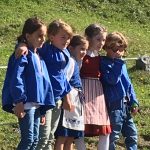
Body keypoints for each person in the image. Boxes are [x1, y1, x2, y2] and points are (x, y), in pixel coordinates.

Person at [15, 19, 74, 150]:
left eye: (69, 38)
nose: (67, 40)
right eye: (63, 37)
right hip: (43, 99)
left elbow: (62, 77)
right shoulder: (46, 50)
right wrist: (21, 44)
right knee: (39, 138)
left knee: (48, 137)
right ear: (52, 37)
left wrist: (67, 97)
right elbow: (30, 46)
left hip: (56, 101)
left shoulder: (65, 53)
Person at [2, 17, 55, 150]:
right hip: (25, 104)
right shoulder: (23, 54)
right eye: (39, 36)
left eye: (44, 36)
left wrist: (42, 110)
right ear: (28, 36)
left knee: (35, 140)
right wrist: (19, 101)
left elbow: (42, 84)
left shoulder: (39, 56)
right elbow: (16, 78)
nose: (43, 39)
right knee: (28, 139)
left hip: (36, 105)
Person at [100, 32, 139, 150]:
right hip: (114, 105)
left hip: (126, 105)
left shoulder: (121, 64)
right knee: (113, 135)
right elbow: (112, 80)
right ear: (106, 48)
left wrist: (134, 100)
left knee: (132, 134)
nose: (119, 53)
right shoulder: (104, 63)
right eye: (116, 49)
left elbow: (128, 84)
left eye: (122, 50)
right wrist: (118, 63)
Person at [75, 24, 111, 150]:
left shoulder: (100, 57)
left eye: (103, 40)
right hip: (83, 90)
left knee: (104, 128)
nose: (101, 43)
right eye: (98, 39)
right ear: (89, 38)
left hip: (98, 92)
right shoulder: (81, 55)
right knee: (80, 126)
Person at [54, 35, 89, 150]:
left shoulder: (78, 62)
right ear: (71, 48)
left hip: (77, 98)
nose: (84, 52)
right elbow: (65, 80)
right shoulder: (70, 61)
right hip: (70, 97)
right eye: (81, 49)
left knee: (71, 137)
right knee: (63, 136)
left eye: (86, 49)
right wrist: (66, 98)